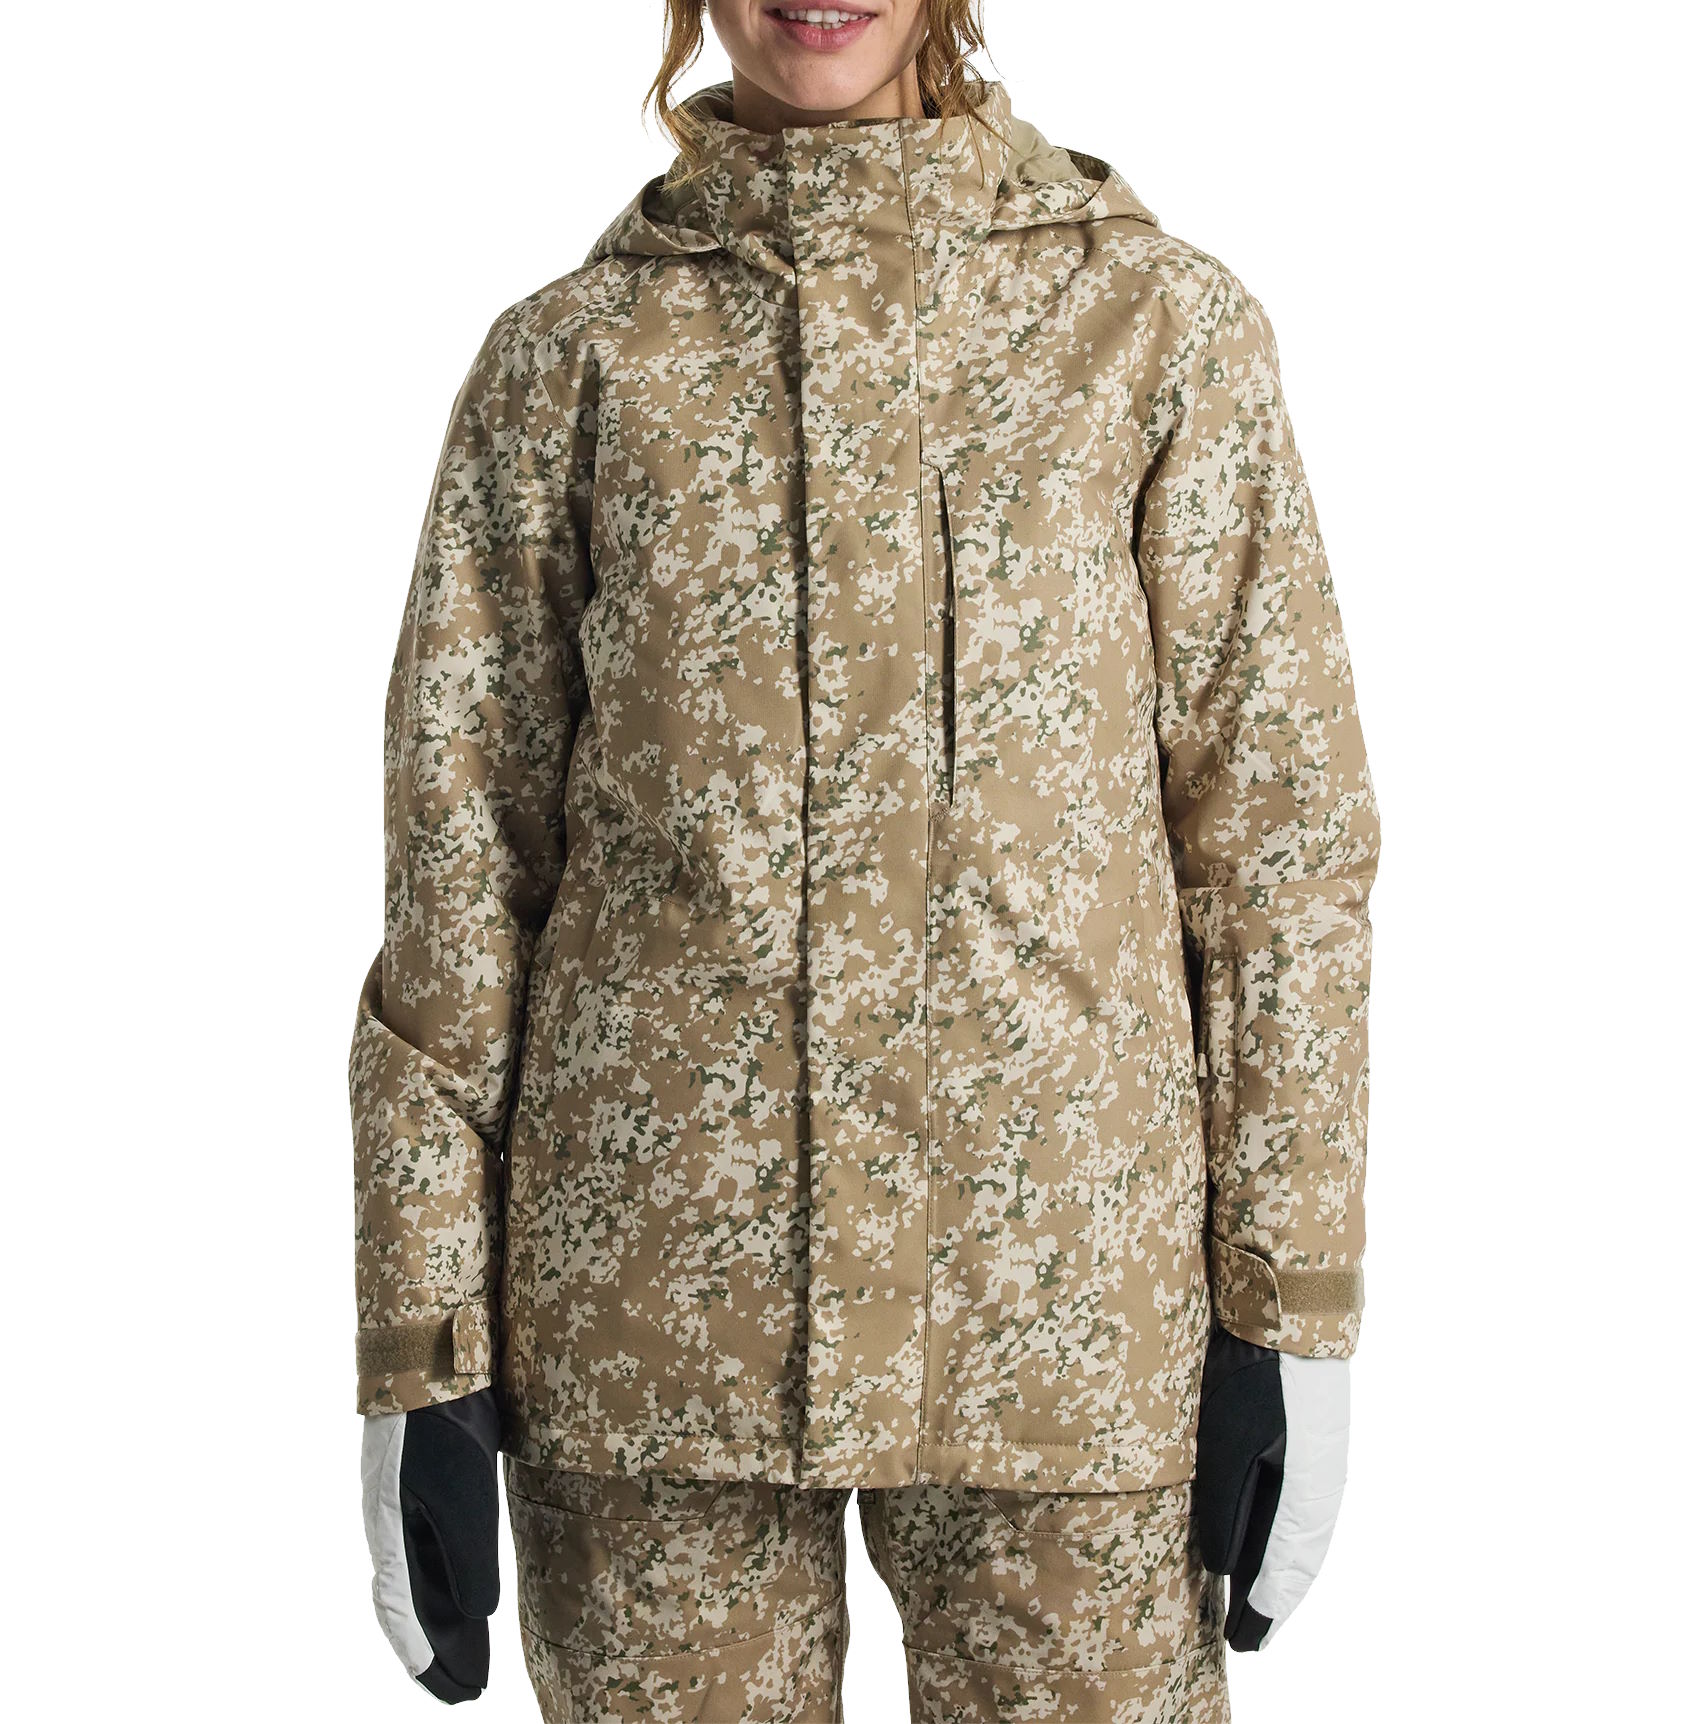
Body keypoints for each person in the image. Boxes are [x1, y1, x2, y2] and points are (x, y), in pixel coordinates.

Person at [350, 3, 1381, 1719]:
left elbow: (1274, 851)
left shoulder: (1152, 329)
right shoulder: (571, 363)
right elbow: (462, 876)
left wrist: (1292, 1301)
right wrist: (423, 1347)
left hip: (1063, 1323)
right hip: (654, 1347)